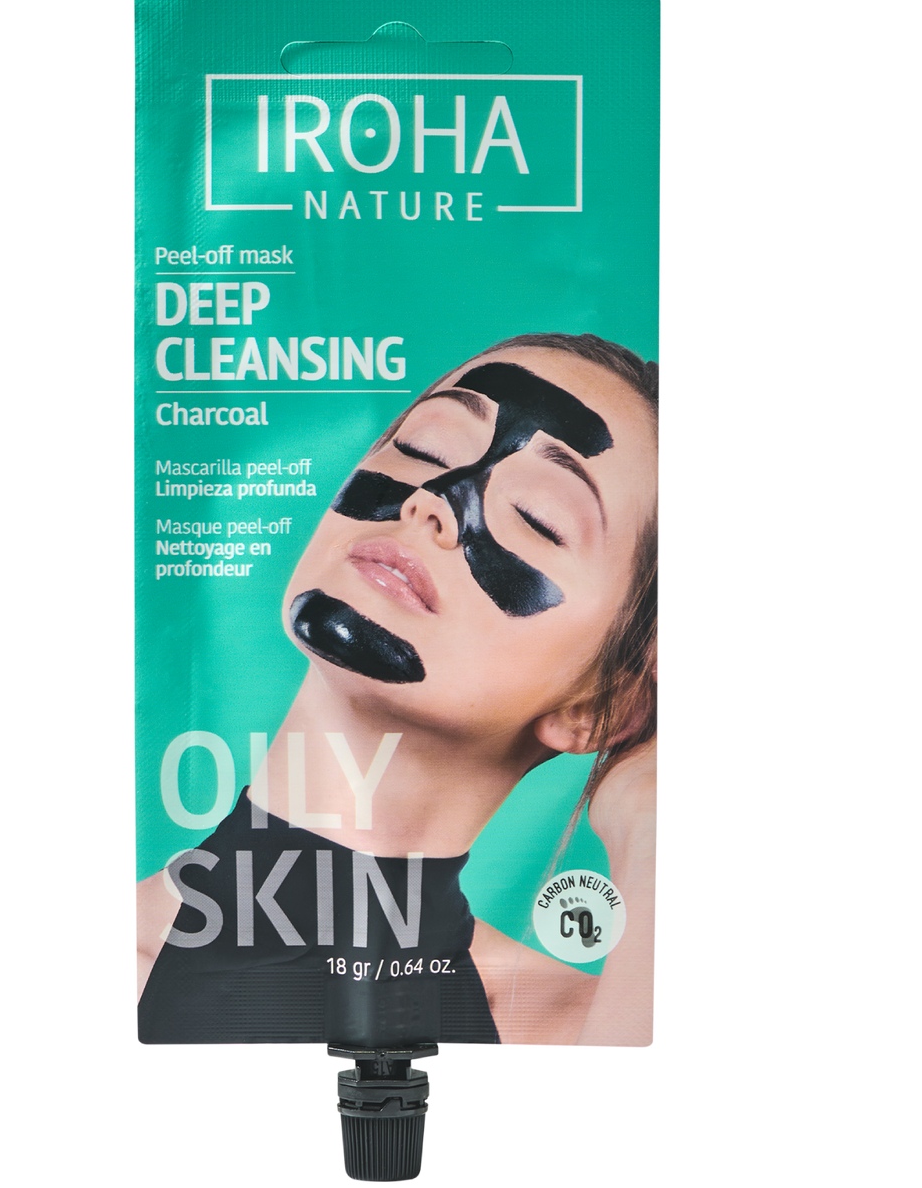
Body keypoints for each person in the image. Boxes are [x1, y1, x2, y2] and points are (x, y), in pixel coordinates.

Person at [134, 333, 660, 1049]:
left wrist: (644, 815)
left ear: (600, 705)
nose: (430, 501)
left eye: (538, 517)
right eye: (423, 448)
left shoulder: (588, 1025)